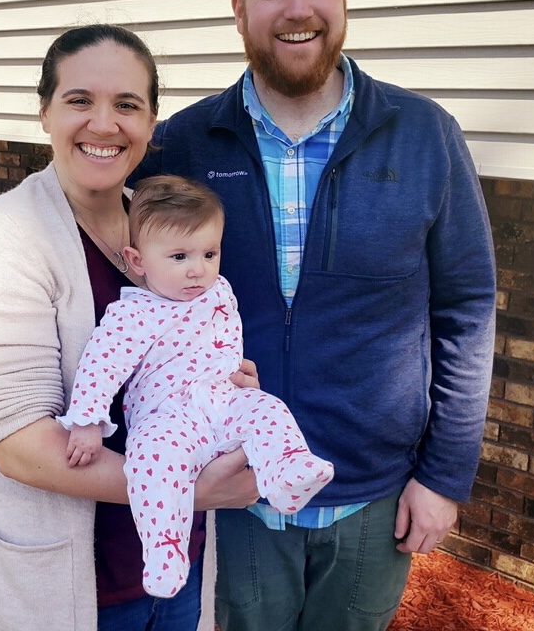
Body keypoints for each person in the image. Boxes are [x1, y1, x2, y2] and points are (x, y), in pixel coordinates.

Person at [130, 0, 497, 631]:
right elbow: (94, 226)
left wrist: (442, 477)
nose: (297, 9)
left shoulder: (424, 135)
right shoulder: (184, 141)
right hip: (236, 489)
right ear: (238, 11)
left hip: (373, 497)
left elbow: (466, 309)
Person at [0, 24, 259, 631]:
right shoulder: (5, 238)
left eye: (127, 105)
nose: (104, 124)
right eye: (80, 100)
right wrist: (190, 492)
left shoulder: (164, 228)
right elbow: (23, 451)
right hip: (73, 586)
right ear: (45, 112)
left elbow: (187, 345)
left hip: (176, 567)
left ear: (152, 121)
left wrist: (225, 381)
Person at [58, 174, 333, 599]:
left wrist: (240, 382)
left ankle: (287, 472)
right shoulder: (133, 314)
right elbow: (101, 365)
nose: (198, 269)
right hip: (169, 420)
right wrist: (88, 422)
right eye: (180, 255)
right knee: (150, 462)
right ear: (137, 261)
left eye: (209, 253)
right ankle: (165, 547)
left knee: (267, 408)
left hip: (224, 403)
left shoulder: (218, 291)